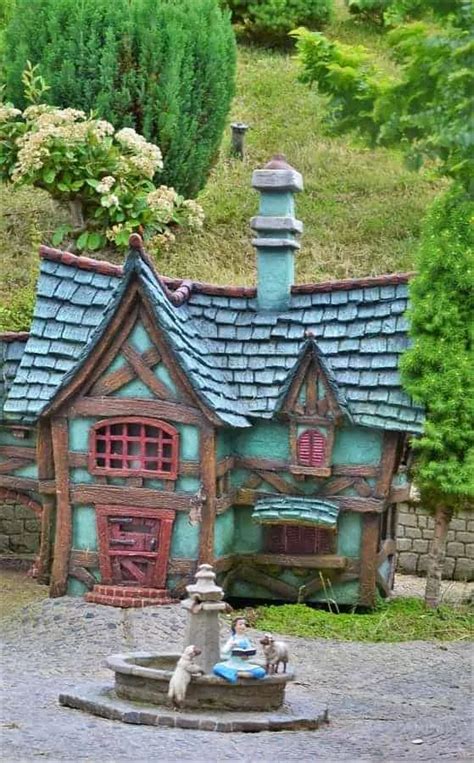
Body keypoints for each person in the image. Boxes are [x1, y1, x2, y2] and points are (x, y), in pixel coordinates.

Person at [213, 617, 266, 683]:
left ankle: (239, 674)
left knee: (261, 671)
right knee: (217, 668)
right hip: (232, 664)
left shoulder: (246, 639)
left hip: (244, 665)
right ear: (235, 627)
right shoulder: (232, 639)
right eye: (240, 624)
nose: (243, 626)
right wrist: (231, 646)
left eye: (244, 624)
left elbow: (250, 652)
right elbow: (224, 651)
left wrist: (247, 656)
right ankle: (233, 674)